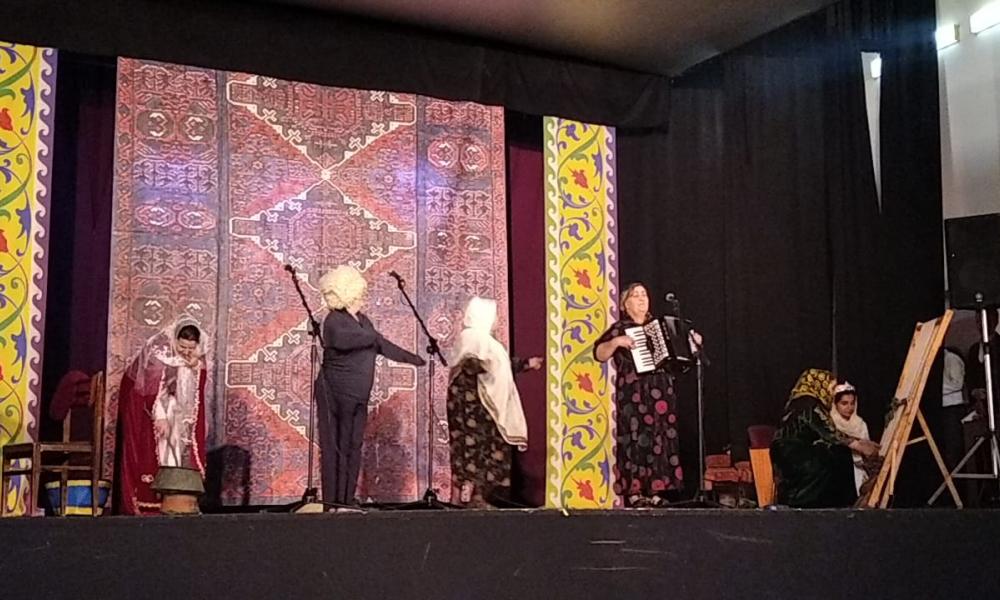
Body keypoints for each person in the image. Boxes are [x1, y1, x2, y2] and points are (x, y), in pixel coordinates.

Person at [315, 265, 425, 506]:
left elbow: (383, 345)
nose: (364, 296)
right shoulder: (334, 320)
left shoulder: (364, 321)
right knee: (335, 447)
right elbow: (344, 340)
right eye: (360, 292)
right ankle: (333, 502)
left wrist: (414, 359)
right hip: (335, 392)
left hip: (358, 395)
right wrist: (374, 338)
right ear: (348, 292)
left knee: (353, 446)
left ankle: (346, 500)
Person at [593, 283, 699, 507]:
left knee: (660, 437)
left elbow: (681, 358)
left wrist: (693, 344)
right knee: (635, 438)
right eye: (635, 295)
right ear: (625, 304)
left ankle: (656, 491)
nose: (642, 299)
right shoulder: (621, 328)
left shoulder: (659, 327)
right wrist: (616, 342)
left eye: (644, 295)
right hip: (634, 393)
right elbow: (599, 354)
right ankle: (635, 492)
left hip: (660, 391)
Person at [446, 297, 542, 508]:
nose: (497, 320)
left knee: (485, 448)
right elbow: (473, 365)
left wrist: (527, 364)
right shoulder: (473, 338)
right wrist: (484, 364)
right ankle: (469, 496)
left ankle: (481, 496)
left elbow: (500, 367)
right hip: (473, 406)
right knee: (472, 449)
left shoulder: (487, 342)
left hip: (483, 405)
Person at [115, 317, 208, 515]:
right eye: (182, 347)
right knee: (161, 454)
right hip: (159, 414)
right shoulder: (160, 357)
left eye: (190, 348)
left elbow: (195, 394)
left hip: (182, 418)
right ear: (175, 341)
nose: (186, 352)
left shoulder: (196, 360)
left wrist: (193, 367)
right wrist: (161, 416)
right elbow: (153, 393)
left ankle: (178, 501)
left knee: (180, 455)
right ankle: (152, 503)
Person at [770, 369, 879, 508]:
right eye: (831, 388)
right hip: (793, 450)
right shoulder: (810, 403)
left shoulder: (797, 402)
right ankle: (836, 503)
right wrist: (859, 445)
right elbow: (827, 431)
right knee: (838, 454)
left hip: (784, 449)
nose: (832, 392)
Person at [828, 382, 871, 493]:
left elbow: (868, 450)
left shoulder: (860, 424)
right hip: (836, 474)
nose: (849, 407)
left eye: (852, 403)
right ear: (835, 404)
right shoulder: (830, 425)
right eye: (844, 403)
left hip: (859, 473)